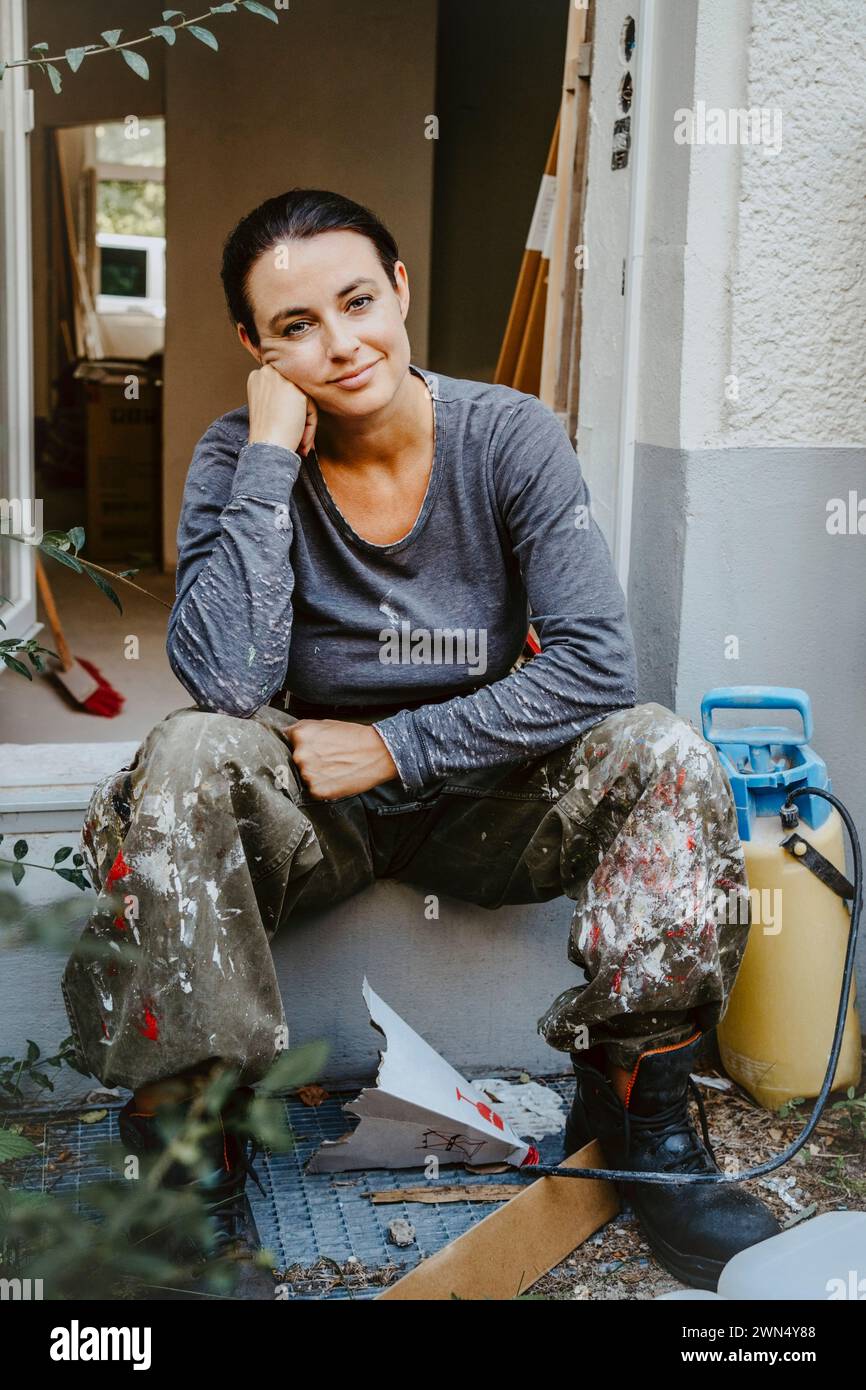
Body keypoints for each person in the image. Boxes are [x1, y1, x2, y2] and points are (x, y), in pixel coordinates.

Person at [62, 188, 780, 1296]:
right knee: (192, 748)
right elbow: (227, 682)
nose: (340, 344)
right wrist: (265, 453)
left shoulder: (507, 436)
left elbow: (595, 665)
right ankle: (193, 1157)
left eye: (357, 301)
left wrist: (394, 746)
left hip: (483, 804)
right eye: (294, 326)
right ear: (253, 348)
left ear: (399, 291)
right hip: (313, 810)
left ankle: (642, 1113)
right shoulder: (236, 456)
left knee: (663, 749)